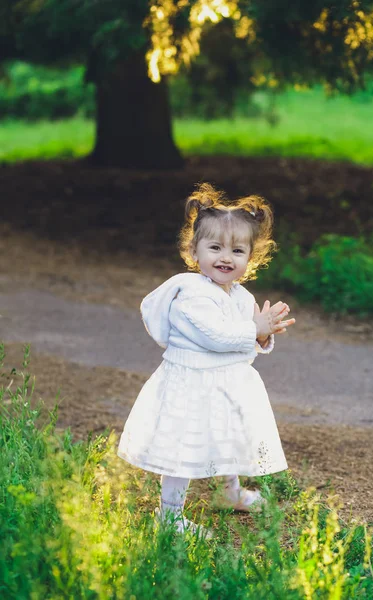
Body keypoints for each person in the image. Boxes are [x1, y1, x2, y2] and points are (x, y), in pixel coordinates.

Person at [117, 182, 296, 538]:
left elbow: (240, 345)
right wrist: (252, 328)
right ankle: (169, 516)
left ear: (251, 258)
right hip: (191, 384)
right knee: (184, 447)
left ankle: (228, 491)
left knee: (227, 436)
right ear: (193, 251)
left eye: (237, 250)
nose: (225, 257)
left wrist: (261, 336)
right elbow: (215, 337)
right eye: (215, 247)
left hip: (226, 384)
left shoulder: (241, 295)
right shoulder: (191, 294)